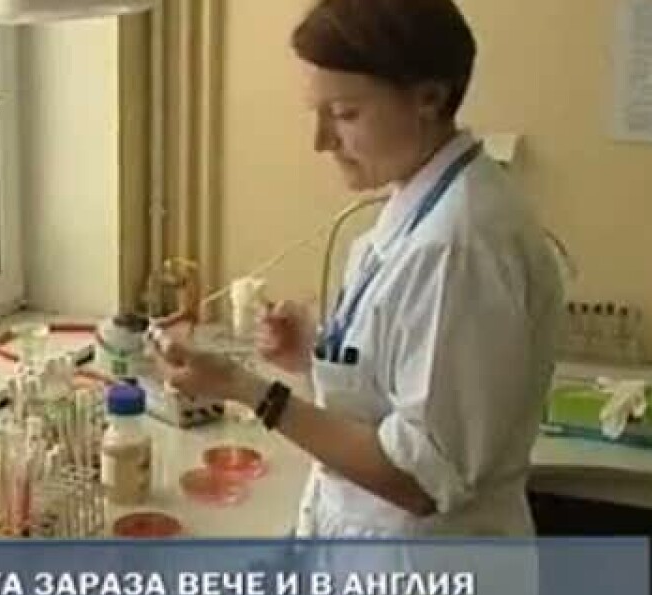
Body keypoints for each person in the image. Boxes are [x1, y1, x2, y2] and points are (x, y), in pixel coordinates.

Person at [153, 0, 564, 539]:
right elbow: (398, 386)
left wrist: (248, 389)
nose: (321, 141)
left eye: (345, 114)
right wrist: (319, 355)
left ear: (429, 98)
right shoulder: (421, 204)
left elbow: (420, 479)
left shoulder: (458, 245)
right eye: (318, 113)